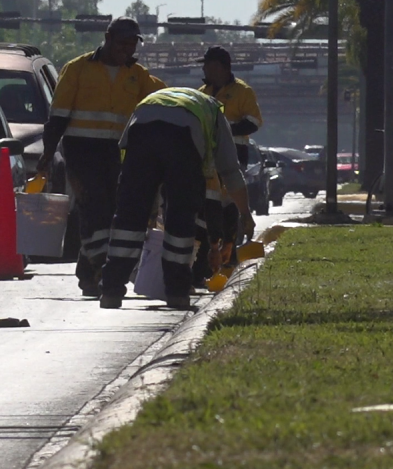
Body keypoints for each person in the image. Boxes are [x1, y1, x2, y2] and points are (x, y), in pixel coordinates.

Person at [37, 17, 166, 297]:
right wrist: (48, 153)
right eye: (123, 44)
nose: (127, 50)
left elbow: (162, 102)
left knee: (112, 213)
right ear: (108, 38)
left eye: (132, 45)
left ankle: (90, 272)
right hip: (82, 151)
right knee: (94, 208)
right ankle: (101, 270)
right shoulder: (78, 69)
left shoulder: (139, 76)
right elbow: (58, 116)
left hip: (117, 153)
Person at [98, 87, 256, 310]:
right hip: (182, 141)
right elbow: (230, 171)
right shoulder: (213, 111)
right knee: (180, 220)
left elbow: (126, 150)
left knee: (128, 217)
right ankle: (177, 292)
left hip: (141, 133)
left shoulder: (153, 99)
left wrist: (141, 196)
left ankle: (111, 291)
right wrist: (245, 214)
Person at [197, 45, 264, 271]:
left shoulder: (242, 92)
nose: (204, 69)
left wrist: (223, 129)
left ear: (219, 67)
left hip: (234, 154)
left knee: (229, 202)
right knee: (209, 202)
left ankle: (230, 250)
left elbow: (253, 123)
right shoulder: (202, 92)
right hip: (208, 157)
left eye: (207, 65)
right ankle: (210, 252)